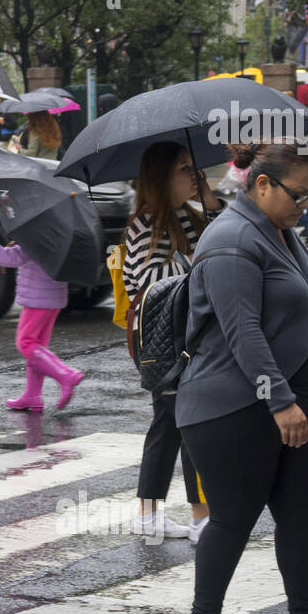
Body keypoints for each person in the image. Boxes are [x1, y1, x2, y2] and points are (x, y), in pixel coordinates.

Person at [175, 140, 308, 614]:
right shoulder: (231, 239)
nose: (306, 206)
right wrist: (279, 400)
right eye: (299, 195)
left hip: (295, 401)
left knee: (301, 515)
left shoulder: (278, 231)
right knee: (234, 516)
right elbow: (242, 333)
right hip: (235, 406)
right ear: (261, 184)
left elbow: (291, 298)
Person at [121, 142, 221, 541]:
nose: (193, 175)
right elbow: (145, 287)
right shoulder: (146, 225)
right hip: (166, 343)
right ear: (162, 177)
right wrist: (194, 266)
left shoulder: (190, 216)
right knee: (188, 423)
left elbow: (234, 238)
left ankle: (149, 514)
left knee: (169, 425)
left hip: (191, 337)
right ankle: (201, 517)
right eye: (184, 169)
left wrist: (210, 197)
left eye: (193, 167)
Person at [0, 238, 81, 411]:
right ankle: (32, 395)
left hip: (37, 298)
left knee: (25, 343)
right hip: (55, 296)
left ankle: (65, 374)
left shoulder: (35, 236)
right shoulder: (57, 236)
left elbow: (11, 257)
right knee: (38, 348)